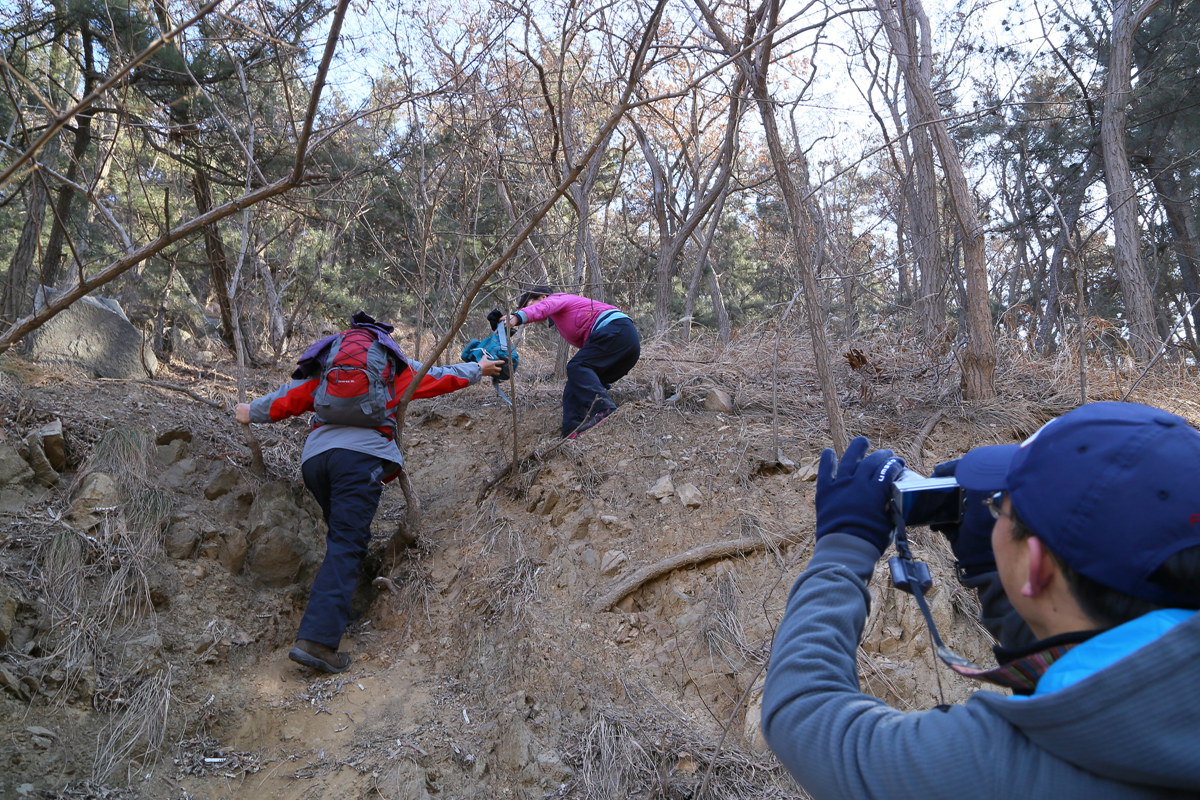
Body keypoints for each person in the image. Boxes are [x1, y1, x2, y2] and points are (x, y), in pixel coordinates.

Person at [761, 401, 1200, 798]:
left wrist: (843, 546)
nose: (993, 516)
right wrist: (996, 574)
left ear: (1037, 567)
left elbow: (804, 715)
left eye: (1000, 509)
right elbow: (1093, 652)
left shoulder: (999, 766)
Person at [235, 312, 501, 674]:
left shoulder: (327, 371)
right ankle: (317, 641)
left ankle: (342, 603)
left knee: (342, 538)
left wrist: (251, 410)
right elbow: (438, 377)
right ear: (383, 342)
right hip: (360, 460)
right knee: (347, 543)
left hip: (317, 461)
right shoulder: (392, 370)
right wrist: (478, 369)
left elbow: (291, 397)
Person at [504, 286, 640, 439]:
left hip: (618, 331)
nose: (529, 309)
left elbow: (544, 307)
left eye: (529, 304)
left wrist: (517, 317)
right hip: (624, 345)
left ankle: (603, 408)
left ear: (542, 297)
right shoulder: (561, 319)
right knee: (574, 385)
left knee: (576, 366)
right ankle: (572, 431)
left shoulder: (557, 298)